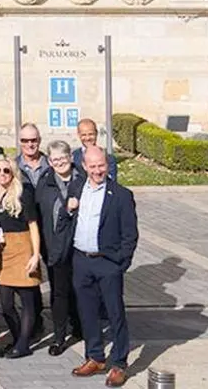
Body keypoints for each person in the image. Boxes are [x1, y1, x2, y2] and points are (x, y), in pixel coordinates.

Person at [65, 147, 137, 387]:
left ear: (107, 165)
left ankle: (119, 363)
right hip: (81, 260)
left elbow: (130, 235)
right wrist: (68, 208)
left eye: (101, 165)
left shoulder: (121, 195)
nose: (97, 170)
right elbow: (67, 220)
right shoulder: (75, 189)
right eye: (92, 166)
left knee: (115, 314)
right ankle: (94, 356)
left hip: (108, 262)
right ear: (84, 166)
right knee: (87, 312)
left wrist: (120, 264)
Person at [0, 155, 42, 358]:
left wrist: (35, 254)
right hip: (2, 249)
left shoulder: (23, 192)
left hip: (22, 244)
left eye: (6, 170)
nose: (2, 174)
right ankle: (19, 337)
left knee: (27, 299)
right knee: (6, 303)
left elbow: (33, 224)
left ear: (13, 172)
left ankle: (23, 343)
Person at [36, 140, 84, 356]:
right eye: (54, 160)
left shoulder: (83, 181)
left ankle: (82, 328)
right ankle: (59, 336)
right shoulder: (45, 183)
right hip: (54, 247)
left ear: (70, 158)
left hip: (81, 247)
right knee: (60, 293)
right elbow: (38, 216)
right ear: (49, 161)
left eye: (63, 158)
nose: (59, 163)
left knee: (82, 290)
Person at [74, 118, 120, 183]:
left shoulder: (109, 159)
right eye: (84, 135)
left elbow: (112, 183)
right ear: (78, 135)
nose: (88, 138)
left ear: (96, 133)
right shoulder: (73, 157)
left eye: (91, 134)